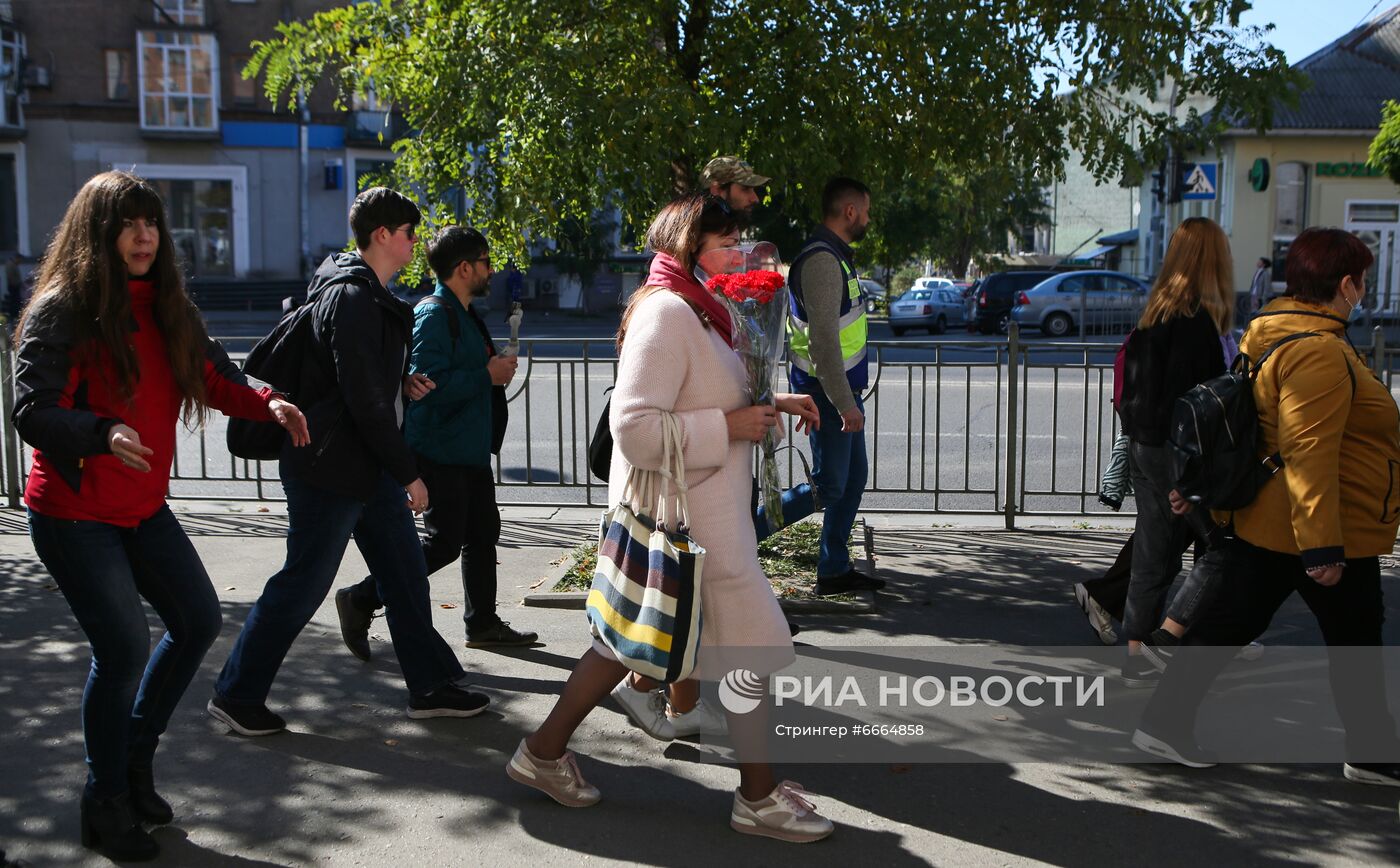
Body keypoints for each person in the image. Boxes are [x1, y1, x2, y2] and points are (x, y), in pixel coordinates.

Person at [506, 194, 835, 843]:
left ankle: (542, 753)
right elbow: (633, 430)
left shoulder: (701, 309)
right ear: (689, 248)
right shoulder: (667, 312)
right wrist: (730, 425)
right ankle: (758, 796)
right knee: (740, 651)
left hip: (705, 522)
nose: (736, 253)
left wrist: (770, 401)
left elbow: (703, 390)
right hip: (688, 524)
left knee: (628, 646)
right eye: (724, 242)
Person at [11, 171, 310, 861]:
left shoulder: (168, 303)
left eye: (151, 223)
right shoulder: (64, 307)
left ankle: (133, 767)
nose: (144, 235)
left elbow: (211, 374)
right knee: (121, 651)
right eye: (128, 223)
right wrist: (101, 431)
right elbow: (33, 407)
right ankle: (104, 800)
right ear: (98, 233)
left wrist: (266, 401)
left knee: (198, 619)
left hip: (141, 507)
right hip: (74, 511)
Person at [210, 188, 490, 737]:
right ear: (382, 235)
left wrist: (399, 385)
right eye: (409, 233)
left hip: (363, 468)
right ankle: (236, 693)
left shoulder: (368, 296)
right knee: (302, 583)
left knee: (407, 577)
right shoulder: (355, 298)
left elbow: (357, 384)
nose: (414, 243)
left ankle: (431, 687)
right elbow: (360, 400)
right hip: (330, 468)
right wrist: (409, 471)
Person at [1136, 228, 1400, 781]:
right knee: (1353, 640)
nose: (1364, 290)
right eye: (1362, 281)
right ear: (1346, 285)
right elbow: (1309, 451)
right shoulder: (1320, 351)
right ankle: (1372, 752)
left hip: (1278, 520)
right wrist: (1322, 546)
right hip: (1317, 526)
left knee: (1238, 626)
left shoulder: (1274, 332)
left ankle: (1163, 724)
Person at [335, 225, 536, 655]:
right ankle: (360, 598)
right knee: (443, 544)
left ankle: (481, 623)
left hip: (469, 449)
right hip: (440, 451)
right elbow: (426, 386)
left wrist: (491, 369)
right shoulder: (433, 313)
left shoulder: (462, 313)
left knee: (483, 533)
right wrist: (485, 374)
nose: (491, 269)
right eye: (485, 262)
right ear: (464, 268)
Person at [1115, 217, 1235, 686]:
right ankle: (1170, 638)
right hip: (1177, 452)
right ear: (1213, 261)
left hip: (1145, 445)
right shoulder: (1195, 322)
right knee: (1224, 546)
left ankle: (1135, 655)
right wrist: (1189, 479)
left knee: (1153, 554)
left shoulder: (1154, 313)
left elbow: (1138, 393)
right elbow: (1196, 405)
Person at [787, 177, 884, 596]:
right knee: (830, 484)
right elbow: (823, 342)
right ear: (849, 212)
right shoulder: (824, 261)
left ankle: (834, 568)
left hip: (837, 391)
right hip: (827, 393)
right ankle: (741, 536)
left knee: (853, 477)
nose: (867, 217)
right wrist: (846, 404)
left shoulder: (835, 257)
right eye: (865, 209)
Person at [699, 156, 770, 216]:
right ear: (716, 189)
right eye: (745, 189)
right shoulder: (706, 228)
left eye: (753, 189)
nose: (755, 199)